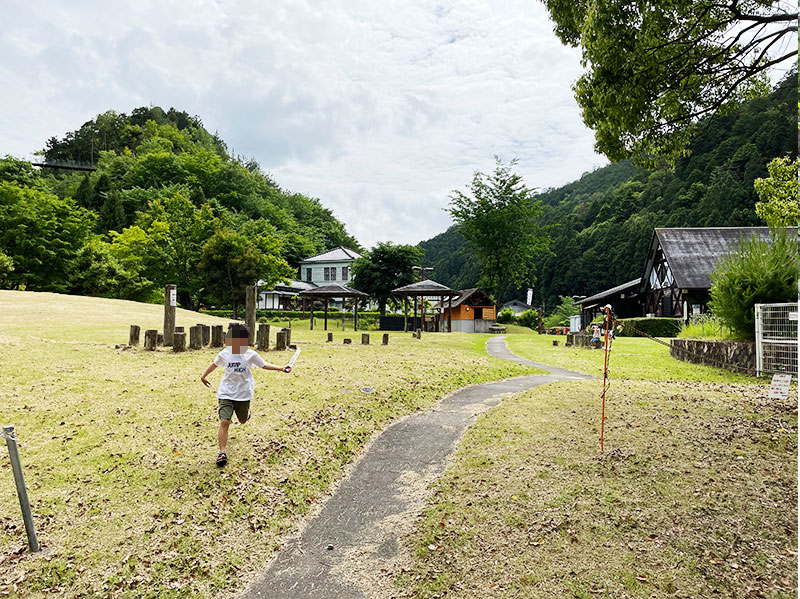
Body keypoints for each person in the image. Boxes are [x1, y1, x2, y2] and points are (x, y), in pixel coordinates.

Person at [200, 324, 292, 467]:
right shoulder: (224, 353)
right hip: (226, 392)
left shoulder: (250, 355)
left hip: (243, 393)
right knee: (225, 421)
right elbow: (215, 364)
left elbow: (264, 365)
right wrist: (203, 376)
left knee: (242, 420)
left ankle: (246, 414)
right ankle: (222, 453)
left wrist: (281, 368)